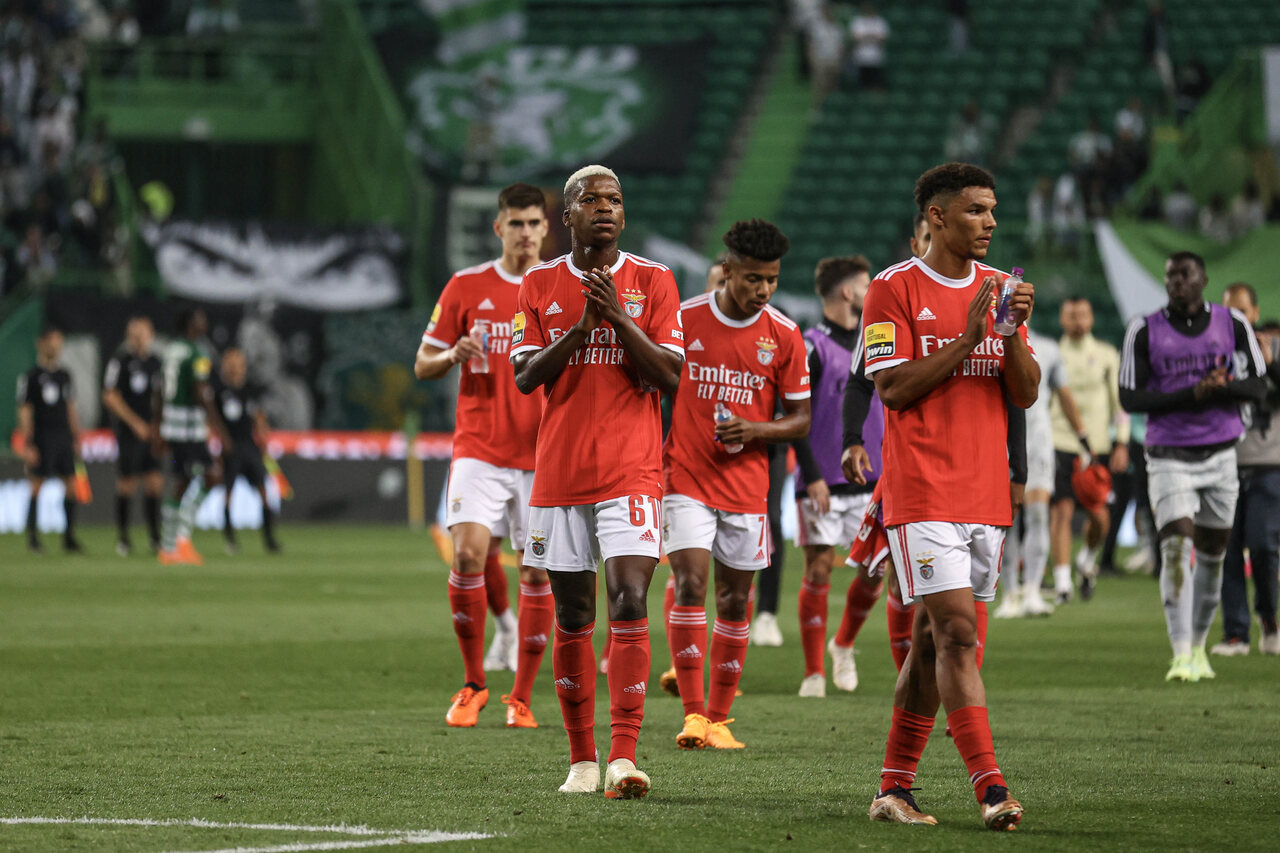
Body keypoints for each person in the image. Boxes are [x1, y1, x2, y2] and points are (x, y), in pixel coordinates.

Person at [862, 162, 1035, 830]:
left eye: (992, 210)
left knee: (932, 645)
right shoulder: (893, 288)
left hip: (985, 493)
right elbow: (893, 388)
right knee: (959, 634)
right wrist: (967, 339)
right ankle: (991, 788)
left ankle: (892, 789)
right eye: (975, 210)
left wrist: (1009, 334)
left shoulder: (1000, 290)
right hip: (923, 489)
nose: (990, 222)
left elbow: (1024, 392)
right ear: (936, 216)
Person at [511, 165, 683, 798]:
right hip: (560, 474)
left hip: (631, 471)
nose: (605, 208)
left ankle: (624, 757)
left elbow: (669, 376)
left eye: (615, 199)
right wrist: (582, 328)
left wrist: (618, 319)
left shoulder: (654, 280)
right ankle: (582, 759)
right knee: (575, 612)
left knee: (630, 598)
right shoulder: (539, 284)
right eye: (591, 200)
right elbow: (526, 375)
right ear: (569, 216)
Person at [662, 219, 810, 749]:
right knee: (690, 583)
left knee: (733, 598)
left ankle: (720, 720)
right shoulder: (684, 319)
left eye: (772, 279)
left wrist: (755, 430)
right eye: (753, 279)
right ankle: (693, 714)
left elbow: (801, 418)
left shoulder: (784, 334)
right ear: (727, 271)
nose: (764, 289)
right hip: (686, 477)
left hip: (748, 487)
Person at [414, 182, 552, 729]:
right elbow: (422, 363)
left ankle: (521, 698)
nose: (525, 232)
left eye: (533, 223)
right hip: (480, 449)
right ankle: (473, 683)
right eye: (515, 223)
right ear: (498, 228)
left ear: (546, 228)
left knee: (537, 573)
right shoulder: (466, 285)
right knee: (468, 556)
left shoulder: (560, 287)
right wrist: (452, 353)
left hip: (543, 454)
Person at [1119, 252, 1266, 681]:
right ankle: (1181, 652)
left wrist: (1221, 388)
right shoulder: (1144, 329)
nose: (1176, 282)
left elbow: (1259, 386)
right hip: (1169, 455)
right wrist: (1191, 394)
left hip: (1221, 455)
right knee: (1176, 546)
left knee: (1213, 556)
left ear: (1203, 279)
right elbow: (1130, 397)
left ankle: (1199, 648)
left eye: (1185, 275)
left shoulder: (1232, 323)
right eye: (1170, 276)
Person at [792, 255, 872, 696]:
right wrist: (811, 475)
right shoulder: (812, 347)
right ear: (847, 291)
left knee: (876, 570)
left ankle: (843, 643)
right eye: (866, 285)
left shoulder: (875, 341)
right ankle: (813, 673)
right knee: (819, 568)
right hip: (822, 479)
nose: (871, 292)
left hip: (871, 477)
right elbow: (796, 415)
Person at [997, 329, 1085, 617]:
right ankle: (1010, 593)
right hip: (1000, 439)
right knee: (1007, 520)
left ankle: (1032, 590)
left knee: (1037, 514)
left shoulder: (1048, 347)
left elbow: (1064, 394)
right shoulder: (989, 339)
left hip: (1038, 441)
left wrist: (1082, 436)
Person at [1212, 283, 1280, 656]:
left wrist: (1270, 364)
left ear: (1255, 312)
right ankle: (1236, 632)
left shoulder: (1275, 347)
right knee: (1228, 547)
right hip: (1225, 462)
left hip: (1269, 463)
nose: (1236, 317)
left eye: (1242, 310)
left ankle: (1269, 618)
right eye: (1229, 310)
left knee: (1264, 545)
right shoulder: (1214, 349)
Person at [1049, 296, 1129, 603]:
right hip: (1060, 441)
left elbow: (1119, 404)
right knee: (1062, 510)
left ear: (1091, 318)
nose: (1078, 321)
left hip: (1096, 447)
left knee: (1100, 516)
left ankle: (1087, 558)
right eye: (1071, 315)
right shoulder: (1052, 353)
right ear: (1062, 320)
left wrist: (1122, 442)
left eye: (1082, 314)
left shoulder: (1107, 354)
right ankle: (1062, 583)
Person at [155, 308, 229, 566]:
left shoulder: (171, 350)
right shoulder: (198, 353)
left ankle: (169, 546)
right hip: (189, 431)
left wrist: (158, 427)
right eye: (200, 319)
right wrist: (219, 429)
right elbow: (201, 392)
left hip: (172, 428)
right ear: (190, 324)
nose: (205, 323)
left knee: (182, 480)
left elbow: (160, 389)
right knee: (211, 475)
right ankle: (180, 540)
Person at [17, 326, 82, 553]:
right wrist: (28, 443)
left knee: (71, 485)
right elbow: (25, 410)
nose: (56, 347)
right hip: (42, 437)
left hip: (63, 436)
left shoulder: (65, 375)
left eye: (59, 342)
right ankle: (33, 539)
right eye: (52, 342)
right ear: (41, 344)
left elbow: (70, 407)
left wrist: (75, 436)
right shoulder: (31, 376)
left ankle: (69, 538)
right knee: (36, 485)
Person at [102, 316, 163, 556]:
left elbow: (162, 396)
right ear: (128, 336)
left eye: (143, 333)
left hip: (152, 432)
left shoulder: (157, 363)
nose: (138, 338)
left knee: (155, 482)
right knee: (127, 483)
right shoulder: (120, 362)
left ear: (151, 335)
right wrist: (135, 423)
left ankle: (155, 537)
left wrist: (157, 425)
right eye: (134, 334)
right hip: (129, 432)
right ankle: (124, 538)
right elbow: (110, 396)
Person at [215, 347, 280, 555]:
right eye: (231, 364)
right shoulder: (219, 392)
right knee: (228, 493)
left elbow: (259, 416)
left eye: (238, 364)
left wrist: (263, 436)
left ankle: (269, 539)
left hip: (250, 446)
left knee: (263, 491)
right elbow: (212, 419)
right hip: (230, 447)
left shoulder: (251, 390)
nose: (235, 368)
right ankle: (230, 540)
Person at [848, 3, 889, 90]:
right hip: (860, 58)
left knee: (875, 84)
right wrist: (872, 37)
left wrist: (865, 38)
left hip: (876, 58)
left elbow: (882, 39)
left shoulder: (880, 22)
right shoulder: (857, 21)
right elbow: (855, 39)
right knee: (862, 85)